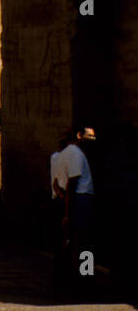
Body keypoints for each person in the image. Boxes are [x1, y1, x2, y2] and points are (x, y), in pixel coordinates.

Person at [61, 126, 97, 296]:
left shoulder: (63, 154)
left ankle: (78, 276)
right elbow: (73, 181)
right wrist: (69, 210)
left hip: (78, 199)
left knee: (78, 240)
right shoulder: (75, 153)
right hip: (81, 199)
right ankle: (85, 276)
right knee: (84, 241)